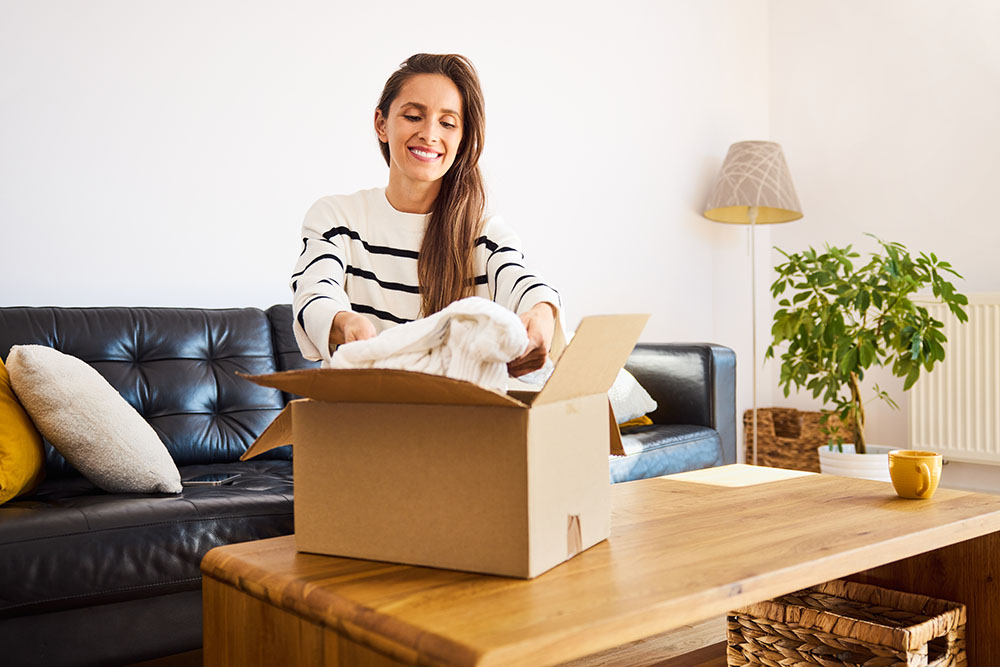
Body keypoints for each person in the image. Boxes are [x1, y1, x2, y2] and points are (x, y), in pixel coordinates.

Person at [290, 53, 564, 378]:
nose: (430, 134)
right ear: (381, 124)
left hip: (453, 418)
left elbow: (521, 279)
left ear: (461, 142)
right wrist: (345, 323)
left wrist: (542, 314)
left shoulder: (484, 232)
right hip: (359, 410)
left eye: (447, 123)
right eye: (414, 116)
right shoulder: (336, 218)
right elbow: (315, 291)